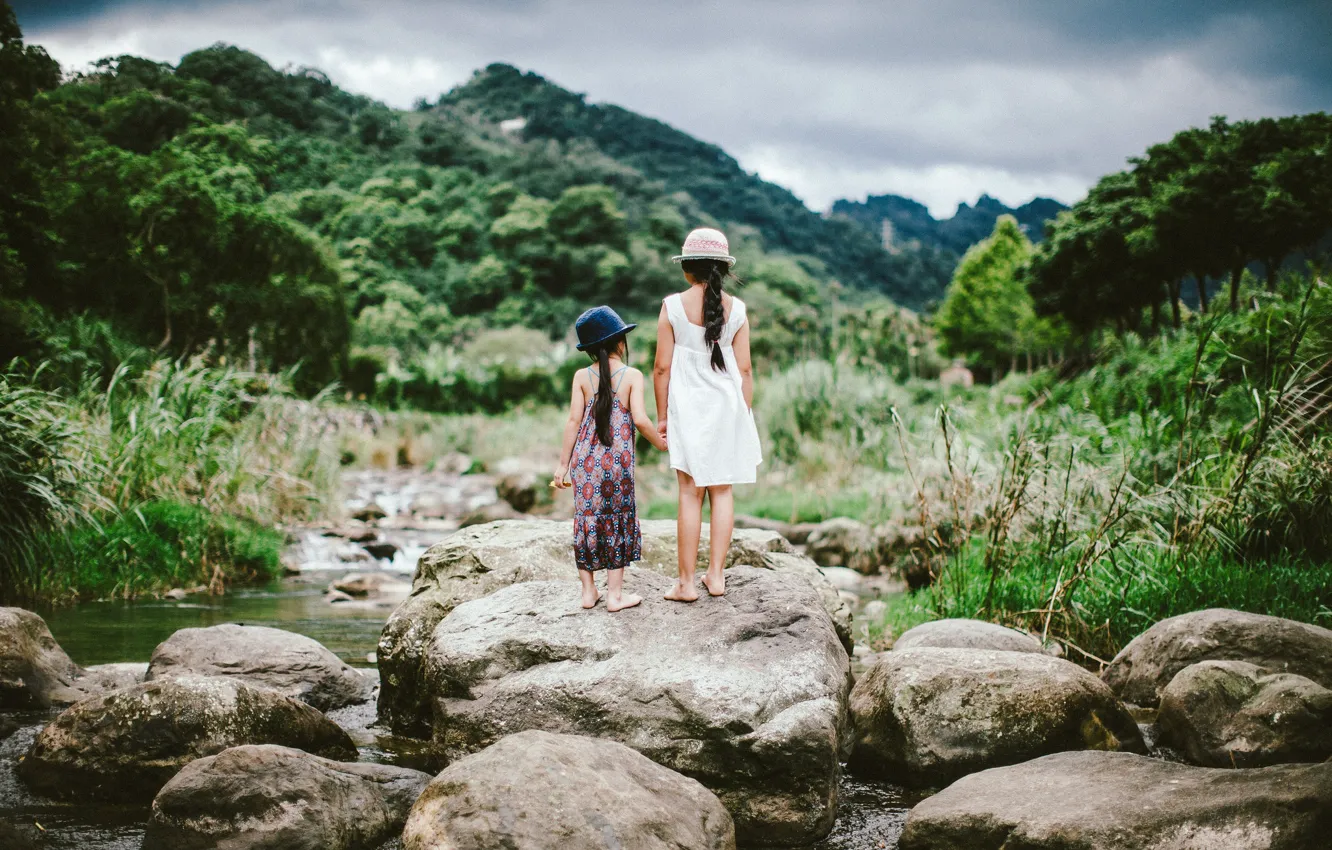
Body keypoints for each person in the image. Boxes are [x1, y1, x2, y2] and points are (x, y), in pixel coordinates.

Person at [654, 227, 762, 601]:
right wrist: (743, 415)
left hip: (686, 408)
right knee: (722, 489)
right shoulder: (739, 310)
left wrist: (662, 417)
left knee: (689, 492)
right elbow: (745, 370)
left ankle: (685, 583)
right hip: (728, 407)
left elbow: (661, 368)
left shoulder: (672, 307)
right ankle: (716, 576)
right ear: (723, 268)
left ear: (688, 268)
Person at [553, 306, 667, 611]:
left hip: (584, 463)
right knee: (617, 518)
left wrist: (563, 465)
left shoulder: (581, 377)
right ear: (619, 342)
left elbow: (573, 422)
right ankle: (615, 595)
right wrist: (661, 444)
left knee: (586, 520)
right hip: (617, 465)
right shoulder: (631, 376)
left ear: (590, 348)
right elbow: (640, 420)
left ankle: (588, 592)